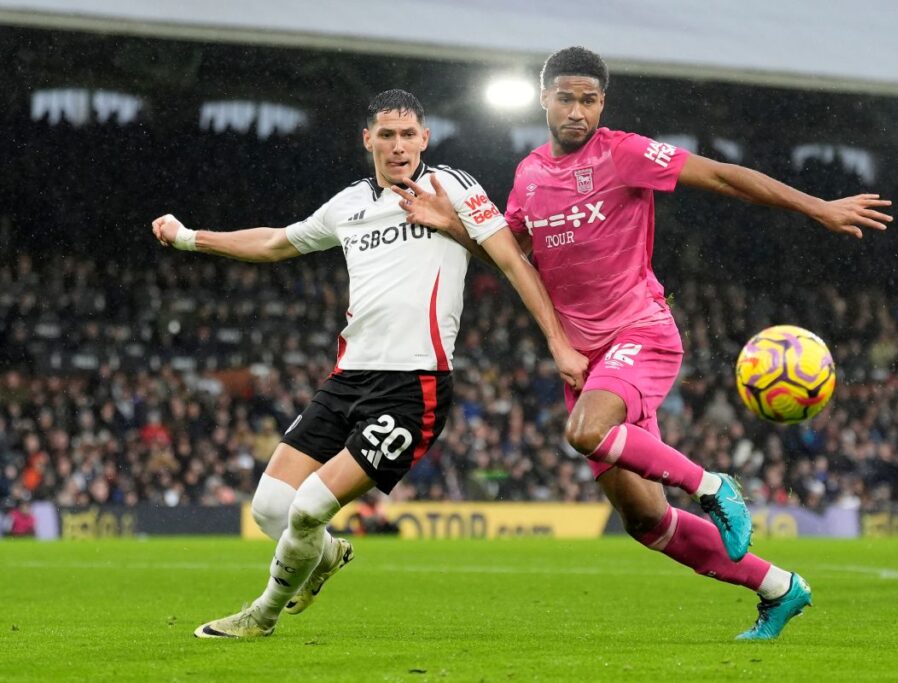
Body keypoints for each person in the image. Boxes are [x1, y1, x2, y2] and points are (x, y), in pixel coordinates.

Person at [396, 47, 892, 640]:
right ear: (543, 98)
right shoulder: (528, 175)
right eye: (566, 98)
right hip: (582, 360)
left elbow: (724, 176)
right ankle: (780, 588)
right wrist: (454, 227)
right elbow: (515, 256)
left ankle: (714, 486)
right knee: (645, 519)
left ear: (602, 103)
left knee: (583, 431)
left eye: (589, 99)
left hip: (640, 333)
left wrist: (818, 208)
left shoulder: (623, 152)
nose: (577, 111)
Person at [151, 89, 588, 639]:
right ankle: (326, 556)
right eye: (387, 134)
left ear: (425, 138)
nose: (398, 145)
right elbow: (274, 243)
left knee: (309, 506)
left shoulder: (451, 187)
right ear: (368, 140)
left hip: (413, 384)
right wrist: (191, 238)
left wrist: (558, 342)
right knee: (270, 510)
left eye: (409, 135)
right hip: (347, 379)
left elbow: (512, 262)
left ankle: (260, 616)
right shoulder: (348, 205)